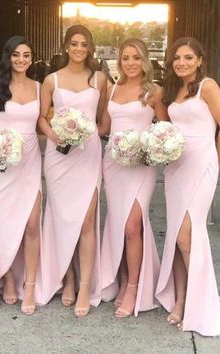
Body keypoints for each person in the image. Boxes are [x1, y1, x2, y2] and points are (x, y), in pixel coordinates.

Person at [38, 25, 107, 317]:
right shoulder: (51, 80)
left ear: (90, 48)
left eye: (84, 44)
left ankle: (87, 286)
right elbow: (42, 118)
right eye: (74, 43)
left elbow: (105, 120)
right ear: (66, 46)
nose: (79, 48)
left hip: (88, 156)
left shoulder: (100, 79)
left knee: (87, 222)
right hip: (59, 157)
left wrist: (91, 137)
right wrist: (54, 136)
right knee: (62, 219)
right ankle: (67, 279)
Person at [98, 38, 168, 318]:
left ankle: (133, 287)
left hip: (142, 164)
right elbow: (103, 126)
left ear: (145, 61)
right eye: (125, 58)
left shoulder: (155, 92)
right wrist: (70, 129)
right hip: (113, 163)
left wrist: (150, 150)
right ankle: (125, 275)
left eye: (136, 57)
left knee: (131, 226)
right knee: (118, 223)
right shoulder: (111, 88)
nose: (130, 63)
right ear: (119, 61)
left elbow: (164, 129)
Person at [155, 37, 220, 336]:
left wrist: (216, 161)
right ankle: (180, 300)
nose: (182, 62)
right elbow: (165, 125)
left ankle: (198, 303)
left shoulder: (208, 86)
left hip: (203, 164)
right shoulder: (172, 90)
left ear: (200, 60)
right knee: (177, 239)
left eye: (188, 58)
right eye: (177, 58)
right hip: (176, 167)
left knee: (186, 236)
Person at [0, 36, 42, 315]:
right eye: (17, 54)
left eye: (27, 55)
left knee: (32, 224)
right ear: (8, 57)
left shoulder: (40, 88)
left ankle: (29, 284)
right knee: (2, 223)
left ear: (32, 59)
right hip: (1, 164)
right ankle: (7, 276)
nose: (22, 59)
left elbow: (44, 124)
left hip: (30, 160)